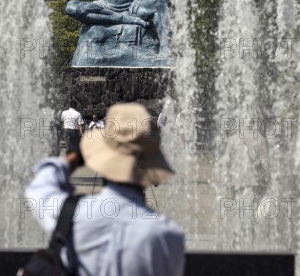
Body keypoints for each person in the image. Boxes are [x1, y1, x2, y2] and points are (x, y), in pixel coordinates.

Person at [26, 103, 185, 275]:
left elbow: (39, 185)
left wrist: (75, 157)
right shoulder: (168, 237)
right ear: (150, 168)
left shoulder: (71, 215)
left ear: (102, 160)